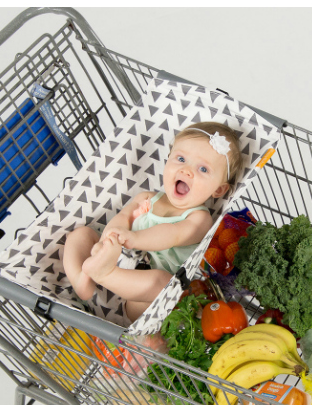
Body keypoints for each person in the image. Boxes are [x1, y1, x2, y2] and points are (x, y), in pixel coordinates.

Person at [61, 121, 244, 321]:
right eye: (181, 158)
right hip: (108, 264)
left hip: (139, 299)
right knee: (81, 234)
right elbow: (122, 217)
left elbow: (172, 234)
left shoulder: (200, 218)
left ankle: (104, 274)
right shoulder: (147, 197)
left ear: (218, 190)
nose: (186, 170)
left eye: (203, 169)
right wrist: (109, 238)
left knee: (162, 284)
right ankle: (82, 282)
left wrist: (133, 238)